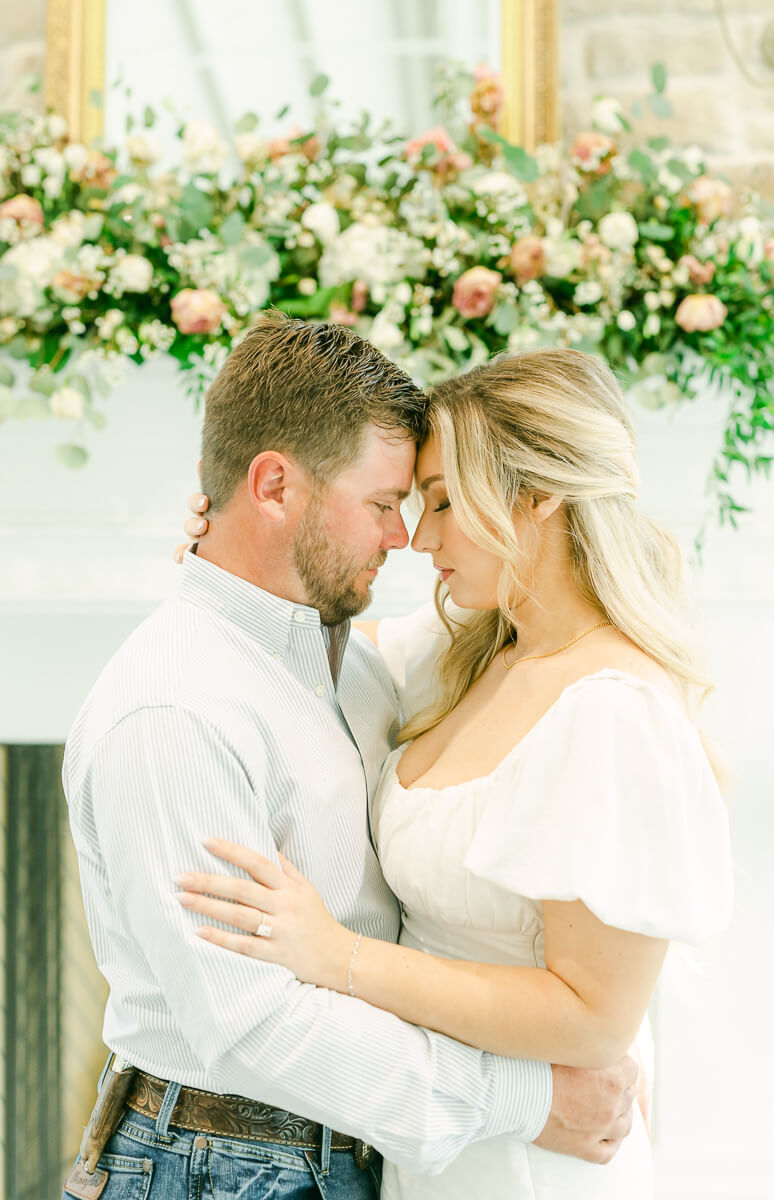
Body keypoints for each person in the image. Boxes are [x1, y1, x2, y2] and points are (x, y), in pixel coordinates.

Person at [62, 318, 637, 1200]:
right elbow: (252, 1024)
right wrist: (524, 1099)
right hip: (222, 1163)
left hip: (347, 1149)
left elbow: (536, 644)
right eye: (381, 505)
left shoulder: (356, 663)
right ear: (275, 485)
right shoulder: (173, 713)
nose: (402, 537)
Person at [178, 345, 733, 1199]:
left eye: (442, 502)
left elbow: (594, 1021)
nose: (418, 536)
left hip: (537, 1162)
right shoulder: (467, 652)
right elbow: (281, 649)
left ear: (539, 495)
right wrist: (236, 547)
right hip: (439, 1146)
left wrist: (338, 957)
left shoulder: (616, 712)